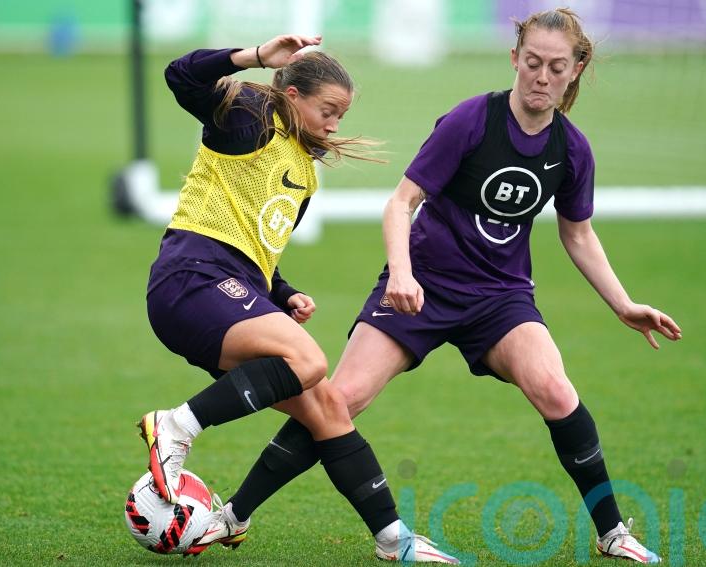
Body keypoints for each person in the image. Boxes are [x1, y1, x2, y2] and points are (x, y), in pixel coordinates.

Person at [207, 9, 682, 564]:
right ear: (514, 60)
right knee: (339, 400)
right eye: (532, 63)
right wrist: (402, 273)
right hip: (422, 285)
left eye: (556, 67)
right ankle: (233, 516)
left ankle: (611, 531)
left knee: (555, 389)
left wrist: (623, 304)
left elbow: (578, 235)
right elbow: (400, 203)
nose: (542, 77)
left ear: (576, 70)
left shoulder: (572, 150)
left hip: (500, 298)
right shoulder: (472, 121)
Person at [137, 34, 458, 562]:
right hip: (189, 278)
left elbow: (258, 247)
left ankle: (391, 539)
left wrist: (283, 293)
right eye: (328, 110)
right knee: (307, 358)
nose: (335, 124)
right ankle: (173, 427)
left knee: (327, 407)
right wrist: (259, 56)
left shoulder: (303, 171)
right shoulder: (249, 118)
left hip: (225, 287)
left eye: (341, 114)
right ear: (293, 96)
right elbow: (181, 75)